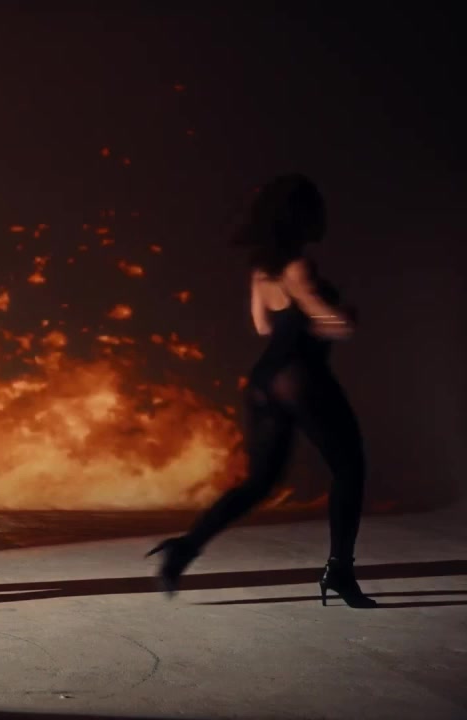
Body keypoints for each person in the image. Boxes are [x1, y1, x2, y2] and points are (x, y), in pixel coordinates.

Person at [147, 174, 376, 608]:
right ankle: (340, 570)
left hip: (265, 380)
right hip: (300, 376)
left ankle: (184, 549)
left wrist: (307, 319)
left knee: (259, 483)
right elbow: (328, 319)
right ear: (303, 217)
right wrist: (344, 319)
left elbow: (261, 325)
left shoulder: (263, 270)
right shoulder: (298, 267)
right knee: (350, 469)